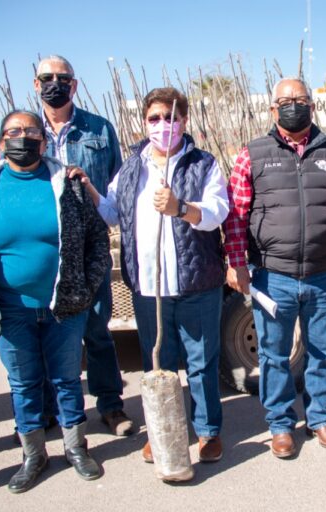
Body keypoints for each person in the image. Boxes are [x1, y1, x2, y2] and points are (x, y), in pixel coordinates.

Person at [224, 77, 326, 458]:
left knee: (322, 352)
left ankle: (320, 419)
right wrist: (236, 262)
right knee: (274, 354)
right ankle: (280, 425)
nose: (292, 105)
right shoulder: (253, 153)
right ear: (272, 109)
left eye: (300, 99)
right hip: (271, 274)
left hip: (321, 273)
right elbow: (236, 216)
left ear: (312, 106)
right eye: (285, 100)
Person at [0, 110, 109, 492]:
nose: (23, 137)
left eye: (31, 131)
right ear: (2, 140)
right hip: (9, 308)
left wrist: (85, 289)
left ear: (42, 139)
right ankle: (34, 454)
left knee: (67, 379)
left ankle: (76, 448)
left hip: (63, 306)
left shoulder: (65, 184)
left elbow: (97, 240)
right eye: (14, 131)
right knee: (23, 383)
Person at [74, 87, 228, 464]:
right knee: (157, 364)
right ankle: (164, 427)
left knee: (202, 362)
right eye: (155, 118)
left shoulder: (203, 163)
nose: (163, 125)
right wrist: (90, 189)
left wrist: (181, 208)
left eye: (171, 117)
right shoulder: (131, 168)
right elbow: (112, 213)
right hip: (148, 286)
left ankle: (207, 432)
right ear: (144, 122)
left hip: (196, 283)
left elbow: (217, 212)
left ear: (184, 121)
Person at [35, 55, 132, 436]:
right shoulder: (24, 128)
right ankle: (47, 413)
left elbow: (115, 188)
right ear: (35, 82)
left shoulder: (99, 128)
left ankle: (110, 406)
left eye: (63, 78)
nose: (54, 83)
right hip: (43, 247)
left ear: (74, 85)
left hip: (90, 248)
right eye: (47, 77)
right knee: (44, 332)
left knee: (97, 330)